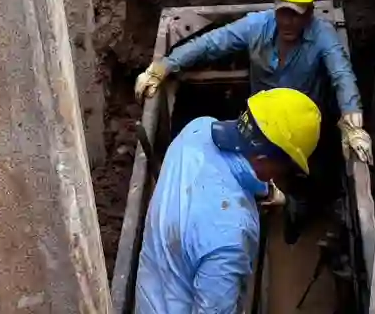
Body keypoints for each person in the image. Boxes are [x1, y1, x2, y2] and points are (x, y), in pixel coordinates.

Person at [134, 0, 371, 165]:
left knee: (307, 176)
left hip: (303, 131)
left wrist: (353, 121)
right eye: (283, 12)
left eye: (296, 14)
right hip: (261, 123)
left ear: (309, 11)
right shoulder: (257, 26)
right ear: (275, 5)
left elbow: (342, 74)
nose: (288, 22)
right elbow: (211, 43)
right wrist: (163, 67)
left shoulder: (322, 35)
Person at [134, 89, 321, 314]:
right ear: (263, 160)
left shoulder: (197, 128)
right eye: (287, 168)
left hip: (152, 288)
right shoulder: (229, 239)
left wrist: (266, 191)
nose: (283, 175)